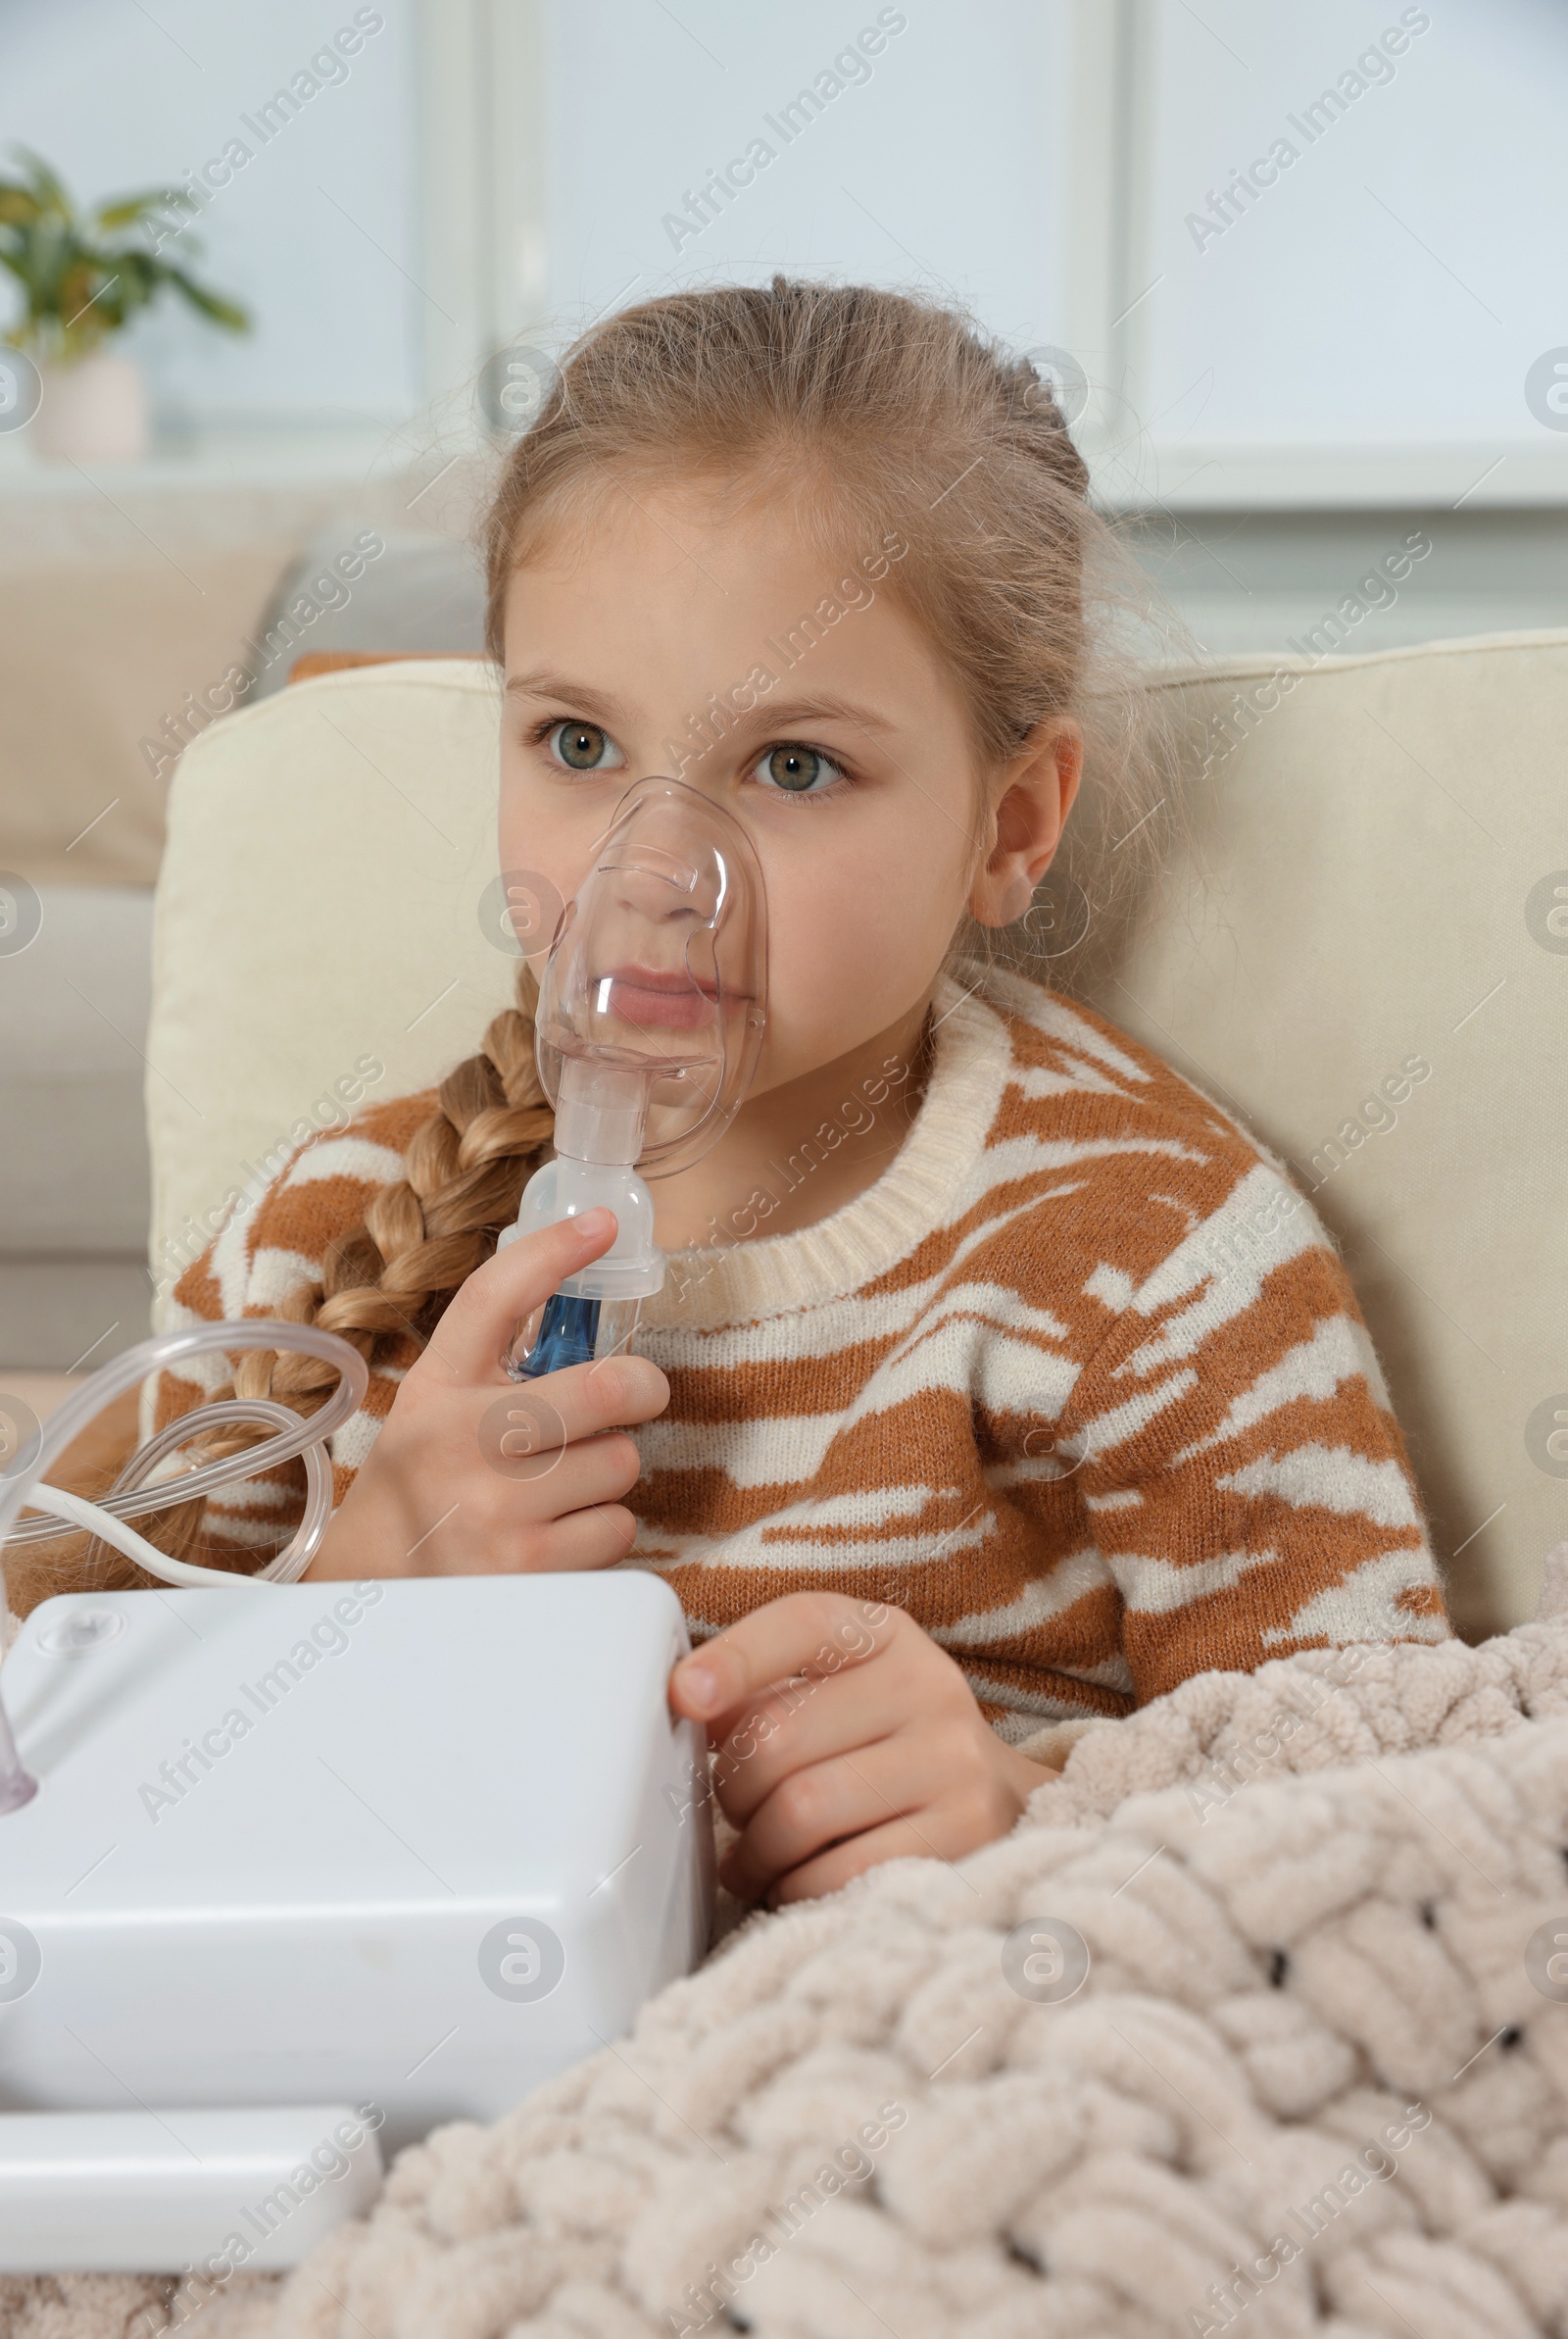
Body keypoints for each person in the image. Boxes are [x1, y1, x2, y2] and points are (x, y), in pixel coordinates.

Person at [146, 278, 1447, 1906]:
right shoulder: (324, 1244)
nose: (655, 878)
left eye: (795, 767)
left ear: (1013, 827)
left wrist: (1031, 1815)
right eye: (574, 745)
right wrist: (345, 1598)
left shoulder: (1149, 1260)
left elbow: (1407, 1826)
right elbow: (59, 1749)